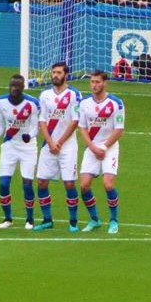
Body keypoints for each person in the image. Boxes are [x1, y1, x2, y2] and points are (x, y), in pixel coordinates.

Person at [35, 62, 86, 232]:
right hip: (48, 145)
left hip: (67, 146)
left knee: (69, 183)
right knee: (42, 182)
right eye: (53, 72)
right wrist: (50, 142)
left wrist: (60, 142)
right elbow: (42, 120)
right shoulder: (45, 95)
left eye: (58, 72)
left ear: (66, 75)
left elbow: (75, 120)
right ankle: (47, 219)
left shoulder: (74, 95)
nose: (55, 75)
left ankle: (73, 221)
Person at [77, 70, 125, 234]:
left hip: (109, 148)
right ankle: (94, 219)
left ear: (105, 83)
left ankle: (113, 221)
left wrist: (103, 148)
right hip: (92, 147)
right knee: (84, 185)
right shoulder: (84, 103)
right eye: (92, 82)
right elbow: (82, 127)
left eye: (97, 82)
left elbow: (119, 130)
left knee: (108, 184)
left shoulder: (116, 103)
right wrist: (92, 147)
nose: (94, 85)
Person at [0, 74, 40, 229]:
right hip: (9, 145)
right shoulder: (1, 102)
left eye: (17, 86)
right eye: (12, 85)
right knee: (3, 183)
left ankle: (30, 219)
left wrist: (29, 136)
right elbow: (0, 125)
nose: (14, 88)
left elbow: (36, 128)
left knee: (27, 184)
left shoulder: (32, 104)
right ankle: (7, 218)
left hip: (28, 147)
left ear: (23, 87)